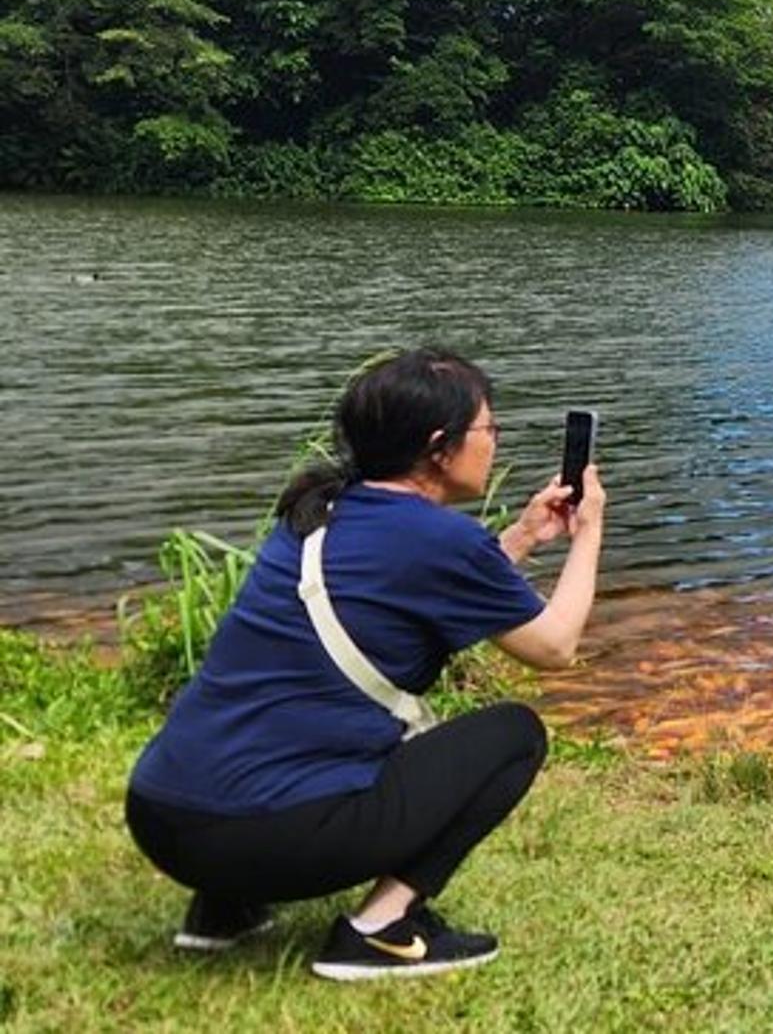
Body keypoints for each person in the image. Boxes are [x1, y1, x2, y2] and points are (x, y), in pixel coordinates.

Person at [125, 348, 605, 980]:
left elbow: (402, 591)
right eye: (489, 429)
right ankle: (378, 931)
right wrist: (590, 530)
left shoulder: (318, 511)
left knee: (270, 711)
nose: (495, 442)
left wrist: (518, 539)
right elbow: (555, 647)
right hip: (258, 837)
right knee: (514, 734)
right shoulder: (439, 540)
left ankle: (223, 911)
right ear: (440, 447)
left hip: (162, 816)